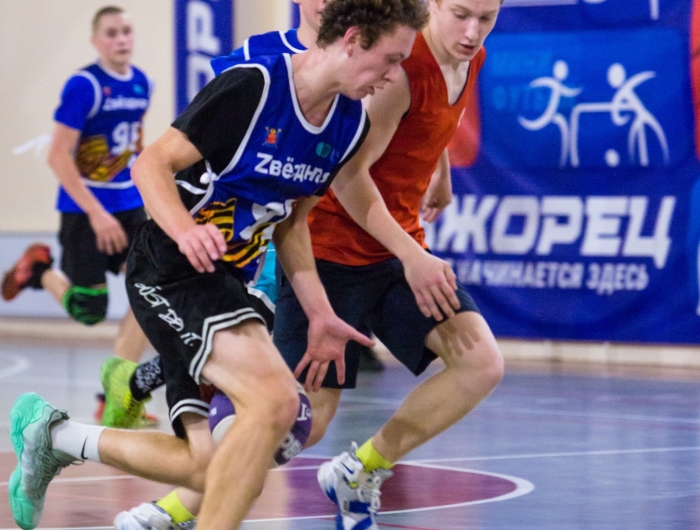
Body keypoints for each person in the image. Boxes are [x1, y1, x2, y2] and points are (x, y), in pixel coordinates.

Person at [7, 2, 461, 529]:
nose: (392, 76)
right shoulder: (255, 85)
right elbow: (151, 164)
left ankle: (52, 436)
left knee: (210, 466)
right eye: (391, 59)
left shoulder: (349, 123)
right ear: (354, 39)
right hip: (168, 269)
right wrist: (185, 229)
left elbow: (293, 223)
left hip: (226, 284)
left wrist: (319, 313)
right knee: (275, 404)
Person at [272, 1, 505, 529]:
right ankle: (176, 506)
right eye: (461, 14)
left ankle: (358, 472)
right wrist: (413, 256)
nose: (473, 32)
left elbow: (422, 122)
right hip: (331, 251)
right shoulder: (400, 70)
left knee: (480, 364)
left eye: (486, 18)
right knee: (301, 425)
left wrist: (440, 170)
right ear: (433, 4)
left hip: (393, 247)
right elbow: (346, 177)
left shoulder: (471, 57)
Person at [0, 5, 155, 424]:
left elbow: (132, 143)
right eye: (112, 33)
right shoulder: (84, 86)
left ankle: (116, 396)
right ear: (96, 41)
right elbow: (57, 155)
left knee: (148, 292)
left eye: (126, 31)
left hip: (129, 206)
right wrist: (97, 213)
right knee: (89, 310)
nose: (121, 39)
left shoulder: (142, 82)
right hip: (85, 211)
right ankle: (38, 270)